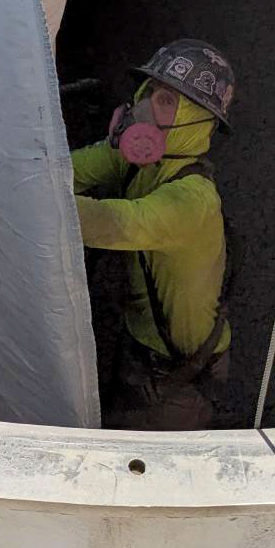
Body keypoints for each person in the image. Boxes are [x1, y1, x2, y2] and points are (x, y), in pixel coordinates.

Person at [71, 39, 237, 430]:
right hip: (141, 340)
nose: (143, 108)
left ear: (198, 121)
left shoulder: (193, 201)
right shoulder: (139, 158)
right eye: (149, 94)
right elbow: (63, 169)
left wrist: (17, 198)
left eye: (165, 102)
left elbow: (108, 224)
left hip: (180, 374)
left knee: (142, 469)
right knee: (111, 424)